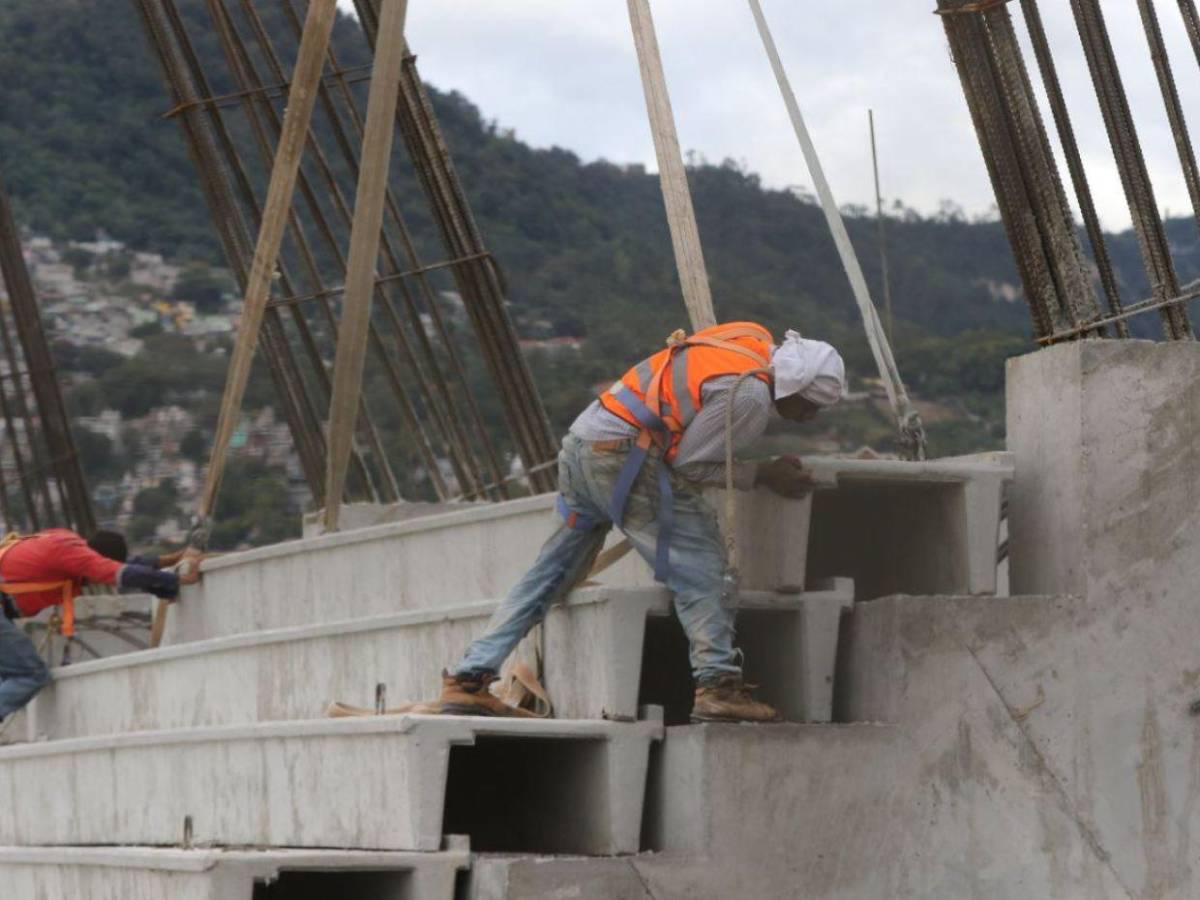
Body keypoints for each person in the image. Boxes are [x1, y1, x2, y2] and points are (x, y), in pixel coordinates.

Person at [436, 321, 846, 722]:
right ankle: (718, 687)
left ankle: (468, 677)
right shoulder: (751, 398)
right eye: (810, 406)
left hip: (584, 444)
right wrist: (762, 475)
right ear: (794, 387)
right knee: (703, 566)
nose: (809, 418)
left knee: (550, 572)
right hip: (622, 458)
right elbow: (690, 466)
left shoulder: (746, 338)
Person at [0, 528, 200, 726]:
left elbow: (121, 567)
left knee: (8, 675)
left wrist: (169, 560)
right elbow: (121, 573)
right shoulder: (74, 555)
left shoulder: (66, 543)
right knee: (30, 674)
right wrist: (177, 580)